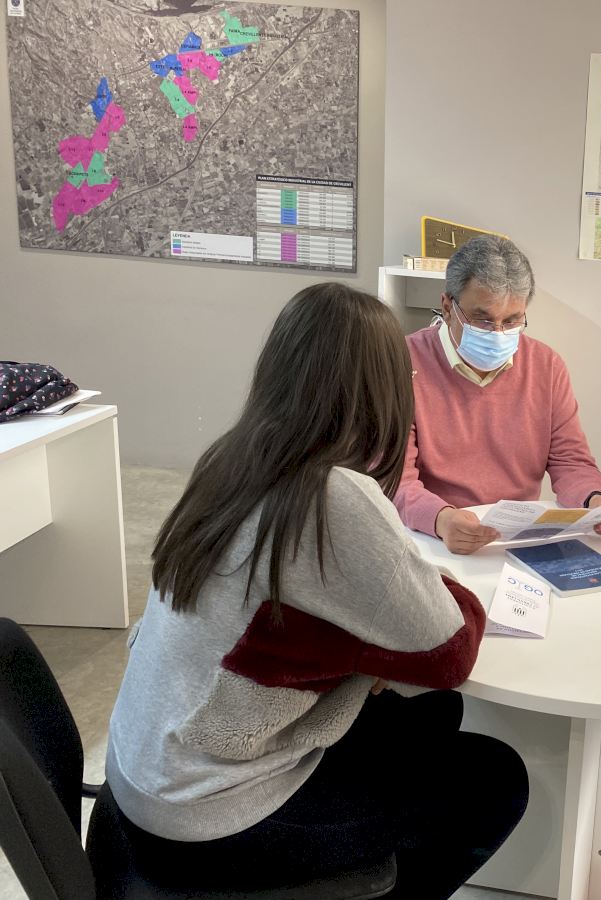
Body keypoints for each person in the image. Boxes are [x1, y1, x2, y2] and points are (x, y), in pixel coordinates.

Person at [105, 283, 528, 899]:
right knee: (493, 778)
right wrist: (418, 600)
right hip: (207, 818)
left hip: (146, 776)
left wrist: (372, 642)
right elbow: (450, 651)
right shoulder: (333, 497)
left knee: (431, 714)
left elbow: (294, 624)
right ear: (385, 388)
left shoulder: (231, 457)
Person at [394, 235, 601, 554]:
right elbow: (396, 480)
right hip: (432, 537)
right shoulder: (402, 364)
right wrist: (441, 519)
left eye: (512, 320)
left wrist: (595, 499)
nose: (498, 333)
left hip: (516, 538)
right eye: (483, 320)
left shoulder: (546, 366)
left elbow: (570, 460)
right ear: (448, 308)